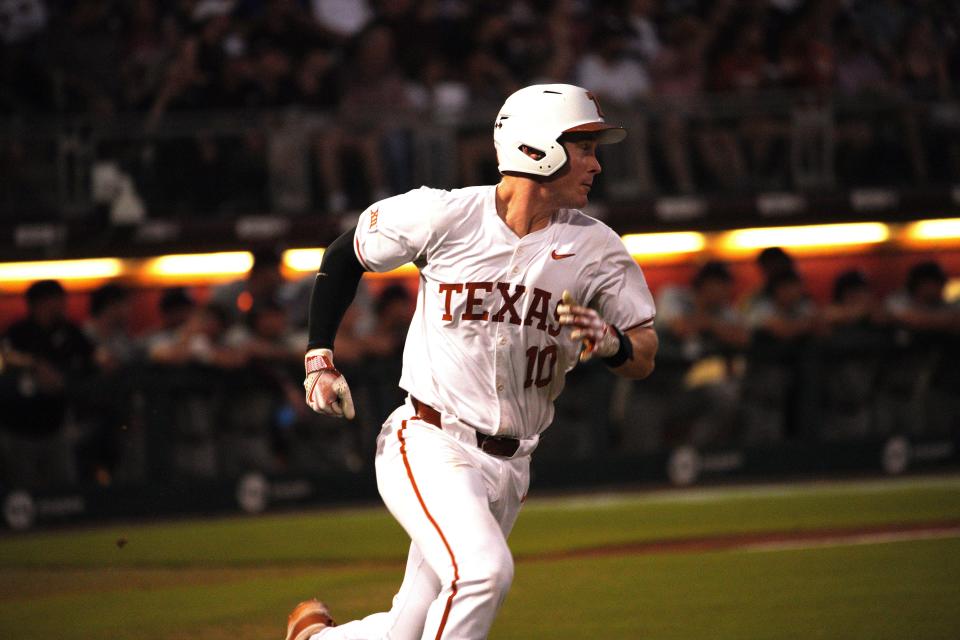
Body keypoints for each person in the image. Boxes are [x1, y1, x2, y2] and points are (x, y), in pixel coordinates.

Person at [285, 84, 658, 640]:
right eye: (584, 146)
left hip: (512, 463)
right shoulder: (447, 214)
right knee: (483, 574)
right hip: (431, 438)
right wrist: (319, 359)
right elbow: (345, 255)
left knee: (410, 627)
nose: (596, 164)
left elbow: (645, 351)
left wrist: (615, 347)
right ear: (538, 148)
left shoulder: (598, 247)